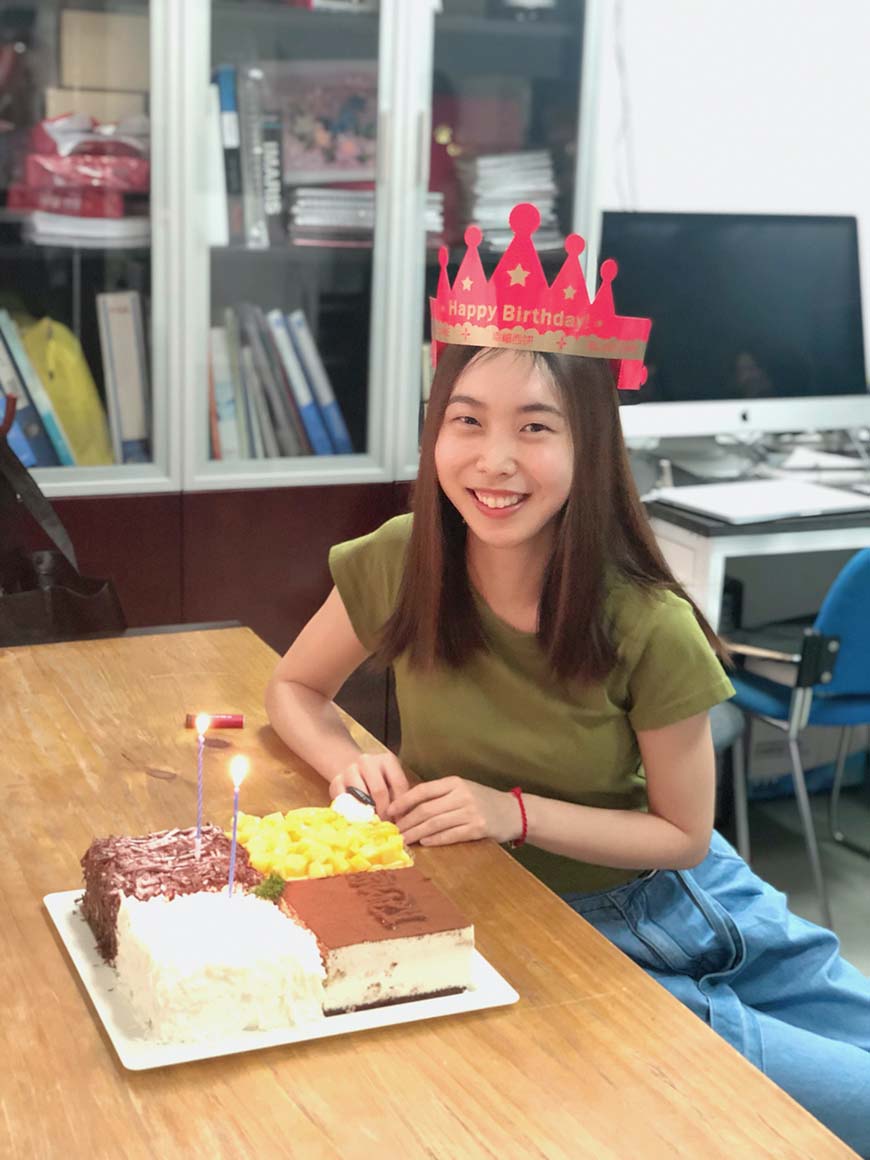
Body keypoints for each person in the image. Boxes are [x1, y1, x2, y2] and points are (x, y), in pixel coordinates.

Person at [266, 209, 870, 1155]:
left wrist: (509, 812)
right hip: (530, 918)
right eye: (467, 420)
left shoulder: (647, 621)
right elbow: (295, 690)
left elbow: (682, 834)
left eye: (536, 427)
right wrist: (344, 760)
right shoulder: (401, 558)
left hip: (674, 893)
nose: (495, 460)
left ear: (590, 445)